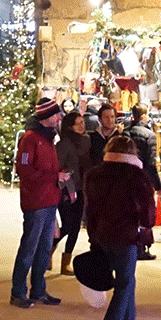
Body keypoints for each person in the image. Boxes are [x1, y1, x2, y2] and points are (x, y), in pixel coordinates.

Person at [83, 135, 155, 320]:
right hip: (126, 237)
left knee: (128, 284)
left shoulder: (94, 174)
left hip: (103, 236)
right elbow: (148, 212)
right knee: (123, 288)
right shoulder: (138, 176)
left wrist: (93, 236)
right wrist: (145, 229)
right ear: (133, 152)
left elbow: (91, 210)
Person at [10, 96, 70, 308]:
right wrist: (54, 178)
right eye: (56, 115)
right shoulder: (30, 139)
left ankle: (38, 290)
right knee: (29, 248)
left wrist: (58, 176)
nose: (59, 118)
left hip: (49, 200)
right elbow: (25, 171)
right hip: (36, 202)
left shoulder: (48, 138)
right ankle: (18, 292)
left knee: (44, 249)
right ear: (46, 117)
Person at [53, 109, 94, 275]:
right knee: (68, 225)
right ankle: (49, 248)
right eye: (77, 124)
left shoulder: (86, 141)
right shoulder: (64, 144)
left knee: (75, 227)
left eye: (82, 122)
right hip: (67, 190)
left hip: (81, 188)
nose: (81, 126)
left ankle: (66, 262)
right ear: (69, 126)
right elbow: (58, 165)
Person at [125, 105, 161, 261]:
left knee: (128, 212)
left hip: (126, 177)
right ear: (143, 116)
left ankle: (131, 244)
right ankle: (141, 247)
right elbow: (151, 162)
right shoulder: (149, 135)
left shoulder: (125, 133)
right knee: (143, 213)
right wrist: (157, 184)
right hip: (143, 177)